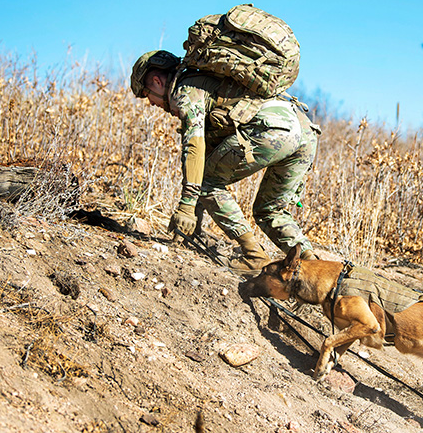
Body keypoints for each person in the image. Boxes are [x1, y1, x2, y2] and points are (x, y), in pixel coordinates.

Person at [130, 50, 320, 271]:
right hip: (304, 131)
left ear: (156, 81)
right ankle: (314, 268)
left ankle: (253, 255)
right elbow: (205, 157)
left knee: (207, 182)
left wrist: (186, 206)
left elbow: (194, 147)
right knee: (270, 210)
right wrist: (193, 224)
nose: (151, 103)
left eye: (146, 94)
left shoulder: (185, 91)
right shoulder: (212, 84)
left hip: (273, 130)